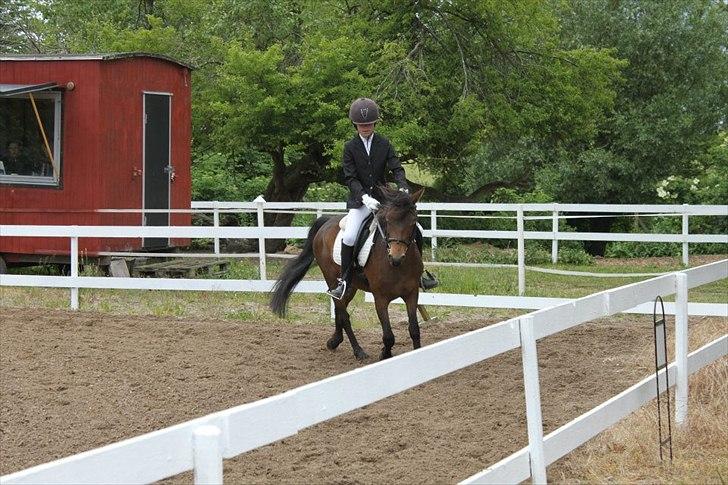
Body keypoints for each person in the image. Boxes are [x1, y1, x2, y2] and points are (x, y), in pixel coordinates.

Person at [326, 97, 438, 300]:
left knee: (418, 229)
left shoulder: (384, 144)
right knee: (350, 235)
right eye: (361, 125)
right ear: (355, 125)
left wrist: (403, 187)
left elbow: (397, 168)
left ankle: (420, 275)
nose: (365, 128)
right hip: (360, 202)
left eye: (368, 124)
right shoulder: (350, 147)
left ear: (374, 124)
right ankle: (344, 281)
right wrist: (363, 197)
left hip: (384, 199)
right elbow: (350, 177)